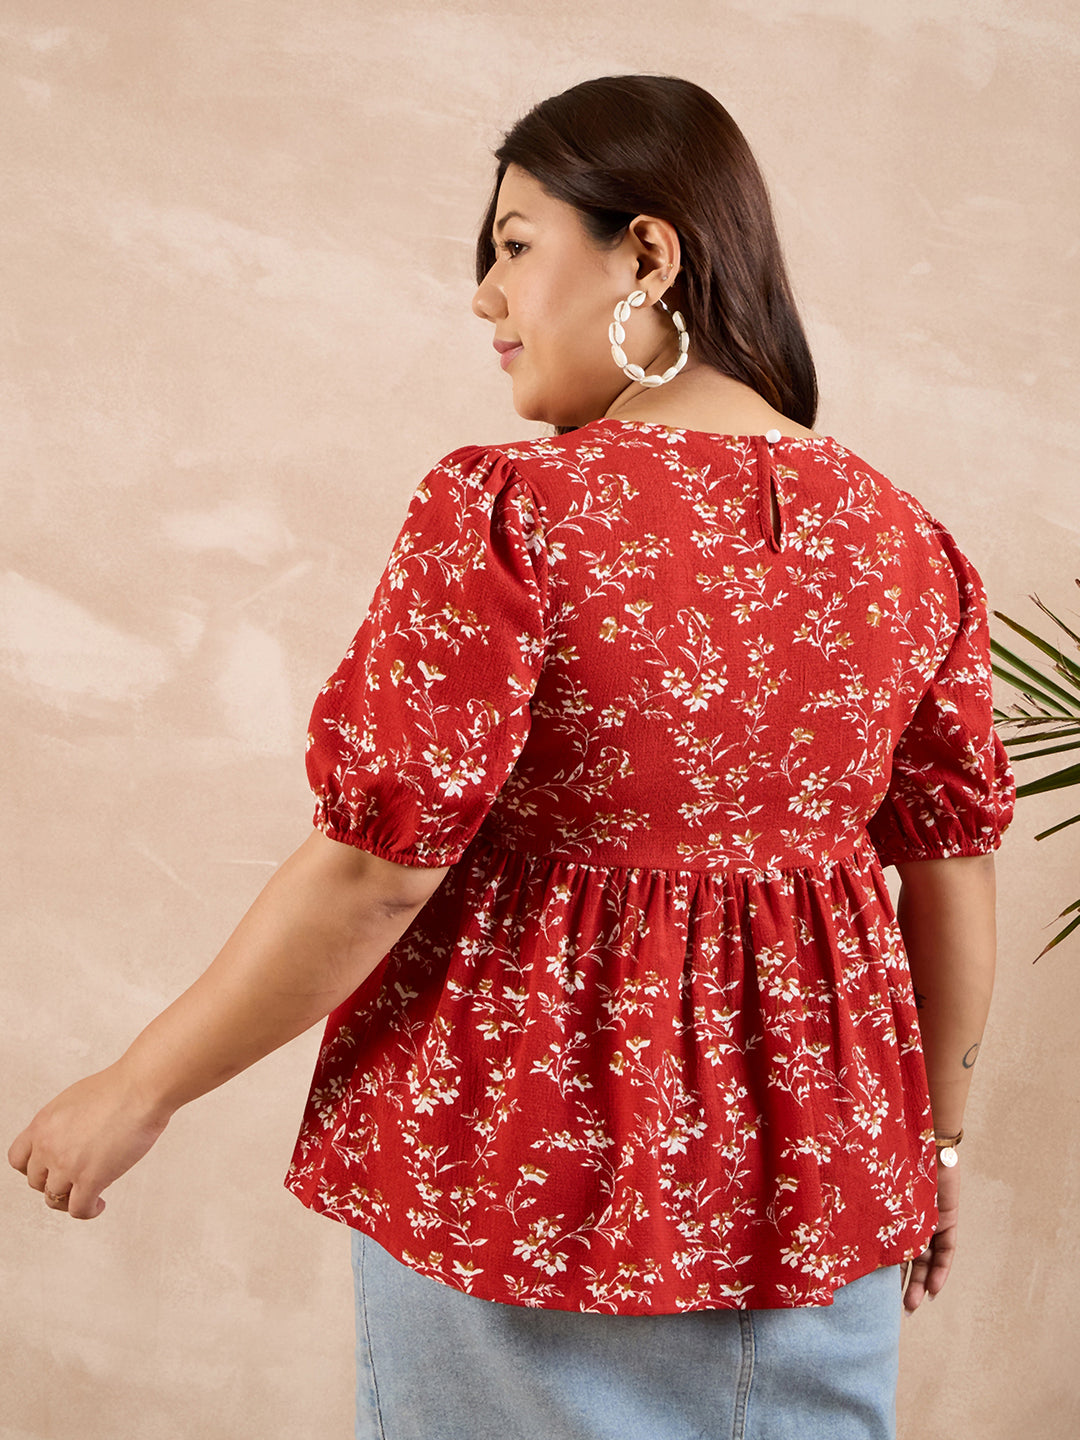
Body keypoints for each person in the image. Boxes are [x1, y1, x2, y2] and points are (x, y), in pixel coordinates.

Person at [9, 74, 1014, 1440]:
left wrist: (138, 1091)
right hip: (825, 1188)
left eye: (515, 244)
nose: (485, 297)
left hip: (522, 1179)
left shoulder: (515, 514)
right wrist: (933, 1147)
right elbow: (951, 872)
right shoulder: (907, 541)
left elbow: (377, 871)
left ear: (648, 254)